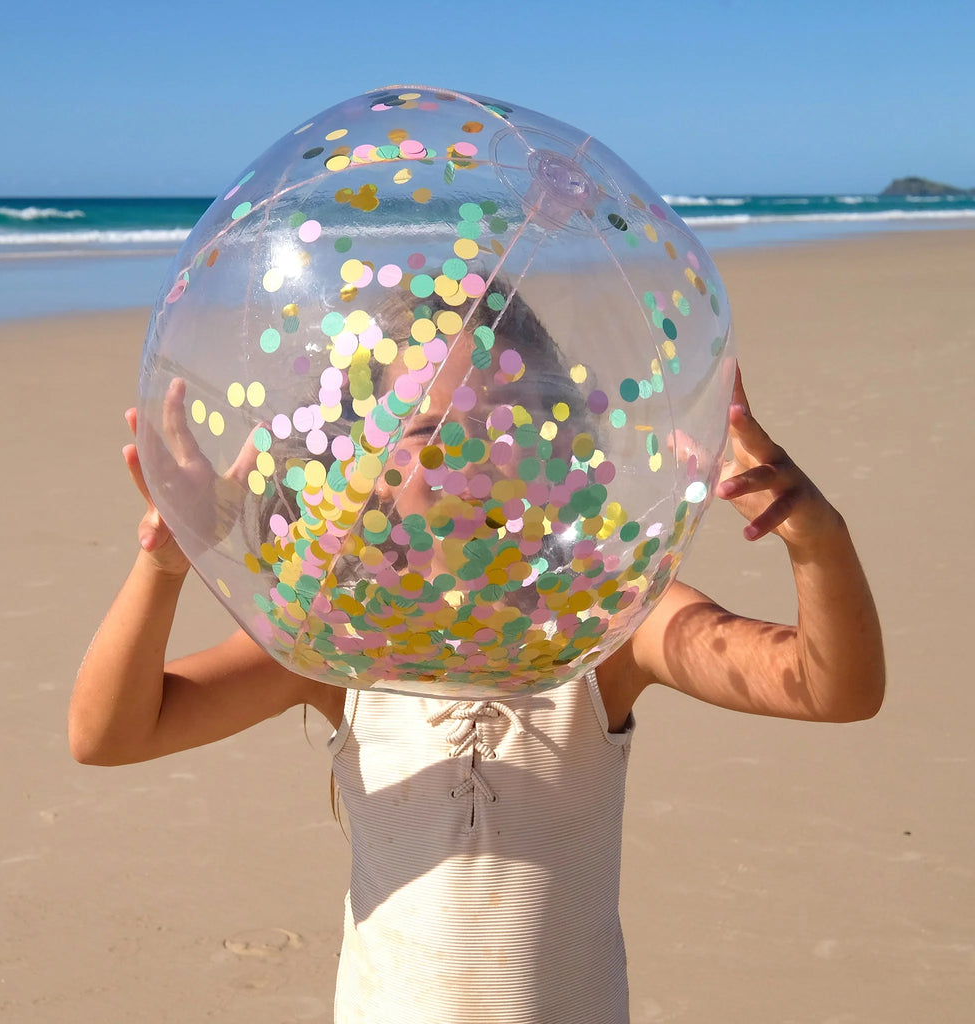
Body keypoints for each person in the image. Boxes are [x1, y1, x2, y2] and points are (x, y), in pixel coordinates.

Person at [70, 312, 884, 1022]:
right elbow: (111, 733)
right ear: (373, 469)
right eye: (427, 435)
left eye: (496, 424)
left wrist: (816, 541)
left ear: (551, 440)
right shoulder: (343, 641)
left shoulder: (609, 620)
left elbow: (830, 689)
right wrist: (165, 565)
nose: (464, 459)